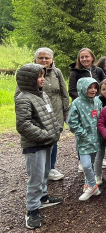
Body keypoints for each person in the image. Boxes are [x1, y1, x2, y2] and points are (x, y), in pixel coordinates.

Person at [16, 63, 63, 229]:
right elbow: (23, 125)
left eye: (43, 76)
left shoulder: (43, 96)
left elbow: (51, 116)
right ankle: (32, 209)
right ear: (29, 80)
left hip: (47, 141)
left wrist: (56, 129)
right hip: (35, 145)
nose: (43, 79)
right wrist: (45, 135)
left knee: (44, 173)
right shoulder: (24, 98)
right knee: (35, 177)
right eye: (39, 76)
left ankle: (42, 197)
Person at [18, 48, 69, 181]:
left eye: (47, 58)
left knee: (54, 141)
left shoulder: (57, 73)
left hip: (55, 113)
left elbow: (64, 93)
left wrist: (65, 111)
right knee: (41, 141)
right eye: (41, 58)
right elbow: (19, 94)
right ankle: (40, 173)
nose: (44, 60)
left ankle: (50, 167)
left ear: (52, 59)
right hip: (38, 115)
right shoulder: (29, 73)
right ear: (35, 59)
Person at [67, 77, 103, 201]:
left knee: (91, 164)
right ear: (82, 88)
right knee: (86, 165)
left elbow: (101, 117)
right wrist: (83, 134)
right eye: (89, 87)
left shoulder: (97, 101)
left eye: (95, 87)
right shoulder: (77, 103)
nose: (93, 90)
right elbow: (72, 122)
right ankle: (93, 187)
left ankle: (88, 183)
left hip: (96, 139)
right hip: (84, 140)